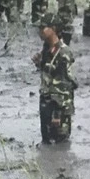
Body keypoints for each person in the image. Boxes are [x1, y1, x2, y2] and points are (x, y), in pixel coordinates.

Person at [33, 13, 77, 143]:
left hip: (59, 108)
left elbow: (63, 86)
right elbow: (49, 75)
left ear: (53, 29)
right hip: (47, 103)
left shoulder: (63, 53)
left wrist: (57, 115)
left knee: (59, 144)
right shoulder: (47, 49)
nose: (40, 31)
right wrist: (39, 63)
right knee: (47, 142)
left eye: (43, 28)